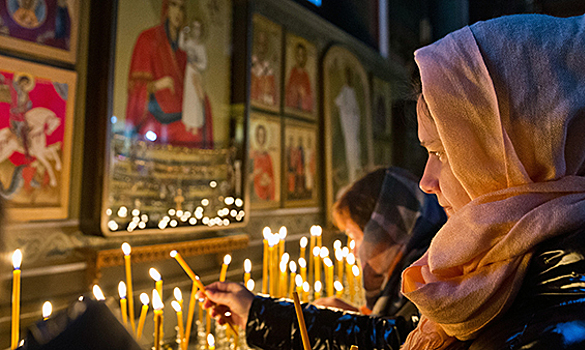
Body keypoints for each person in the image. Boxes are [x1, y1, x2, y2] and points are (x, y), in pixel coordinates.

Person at [401, 8, 585, 349]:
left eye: (443, 153)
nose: (426, 182)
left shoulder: (553, 333)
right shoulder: (505, 268)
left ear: (523, 151)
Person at [200, 167, 447, 350]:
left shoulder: (431, 280)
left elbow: (396, 342)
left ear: (386, 231)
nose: (352, 250)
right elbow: (387, 333)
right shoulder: (416, 271)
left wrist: (261, 313)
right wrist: (352, 318)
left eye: (355, 236)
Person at [125, 0, 214, 148]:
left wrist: (201, 97)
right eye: (173, 5)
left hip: (182, 116)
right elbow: (135, 88)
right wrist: (158, 85)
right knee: (189, 135)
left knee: (194, 132)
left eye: (182, 8)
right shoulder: (147, 39)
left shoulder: (185, 49)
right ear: (166, 8)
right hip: (156, 120)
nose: (178, 12)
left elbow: (190, 88)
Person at [179, 18, 208, 136]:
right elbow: (181, 46)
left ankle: (195, 124)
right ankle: (188, 123)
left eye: (198, 28)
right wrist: (182, 33)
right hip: (189, 72)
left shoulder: (201, 47)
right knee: (189, 97)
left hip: (196, 74)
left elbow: (204, 63)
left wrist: (197, 65)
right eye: (194, 28)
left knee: (195, 99)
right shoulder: (189, 43)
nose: (196, 31)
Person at [335, 67, 362, 184]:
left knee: (355, 146)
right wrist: (348, 113)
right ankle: (352, 175)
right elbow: (339, 103)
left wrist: (354, 115)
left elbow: (356, 110)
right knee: (351, 146)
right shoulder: (344, 90)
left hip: (353, 122)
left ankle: (355, 172)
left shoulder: (353, 91)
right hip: (347, 123)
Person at [251, 30, 277, 107]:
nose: (261, 48)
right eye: (259, 44)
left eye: (264, 45)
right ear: (255, 45)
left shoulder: (270, 71)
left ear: (267, 47)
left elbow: (273, 99)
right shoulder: (250, 66)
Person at [285, 43, 313, 112]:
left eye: (303, 55)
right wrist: (294, 91)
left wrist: (304, 95)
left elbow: (309, 97)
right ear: (296, 56)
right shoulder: (293, 72)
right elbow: (288, 93)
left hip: (303, 110)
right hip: (293, 109)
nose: (301, 58)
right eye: (299, 55)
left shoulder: (306, 75)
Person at [250, 124, 275, 201]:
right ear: (256, 137)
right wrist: (255, 173)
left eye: (263, 136)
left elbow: (272, 177)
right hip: (254, 192)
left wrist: (268, 179)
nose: (261, 138)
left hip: (266, 192)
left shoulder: (268, 156)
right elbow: (247, 177)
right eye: (259, 135)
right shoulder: (252, 155)